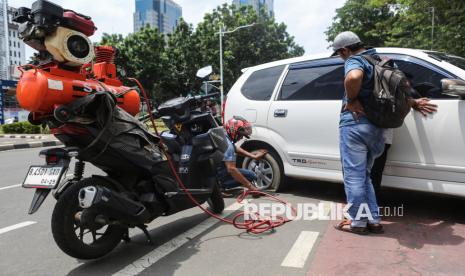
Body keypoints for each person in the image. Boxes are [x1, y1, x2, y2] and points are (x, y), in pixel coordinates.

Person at [332, 31, 385, 235]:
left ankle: (357, 222)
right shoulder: (381, 60)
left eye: (339, 53)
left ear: (345, 50)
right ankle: (374, 220)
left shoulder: (355, 60)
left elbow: (354, 77)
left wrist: (352, 99)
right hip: (378, 126)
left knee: (353, 177)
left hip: (355, 125)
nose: (340, 57)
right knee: (365, 176)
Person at [371, 79, 438, 193]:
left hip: (363, 131)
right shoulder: (381, 70)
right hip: (377, 133)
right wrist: (412, 102)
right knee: (371, 177)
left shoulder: (365, 69)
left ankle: (362, 206)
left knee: (359, 175)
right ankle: (365, 207)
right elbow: (396, 99)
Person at [218, 116, 267, 197]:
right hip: (217, 174)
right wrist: (252, 188)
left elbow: (235, 148)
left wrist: (252, 156)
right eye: (240, 135)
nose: (241, 138)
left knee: (249, 175)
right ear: (234, 131)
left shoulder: (223, 135)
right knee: (251, 176)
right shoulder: (228, 145)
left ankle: (218, 185)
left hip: (212, 171)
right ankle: (219, 186)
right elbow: (231, 169)